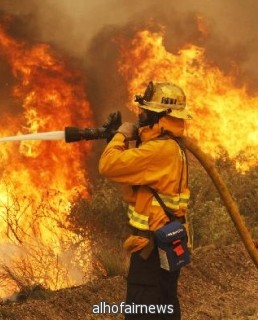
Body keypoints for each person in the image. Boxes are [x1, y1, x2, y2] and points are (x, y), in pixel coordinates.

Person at [99, 81, 192, 320]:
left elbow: (108, 166)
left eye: (146, 112)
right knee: (165, 305)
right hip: (167, 244)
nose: (140, 117)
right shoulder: (171, 147)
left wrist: (120, 136)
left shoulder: (159, 151)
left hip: (150, 252)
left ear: (160, 116)